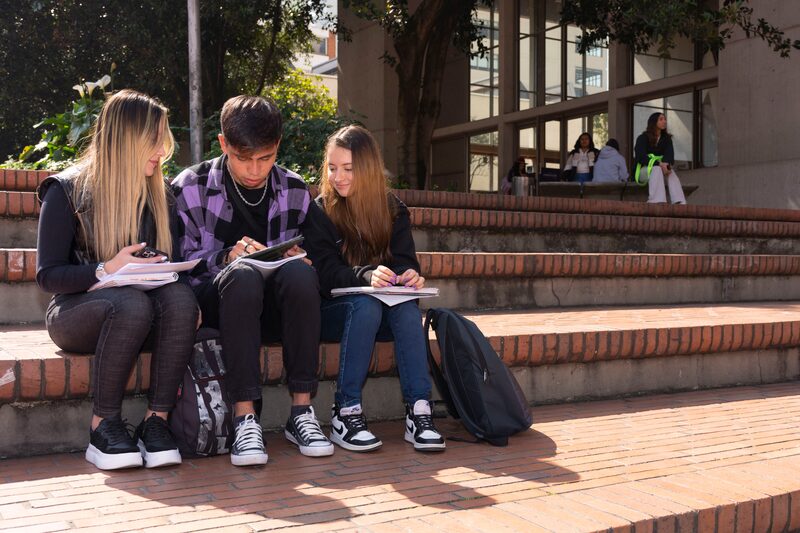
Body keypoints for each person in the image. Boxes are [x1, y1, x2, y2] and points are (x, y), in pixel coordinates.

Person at [36, 89, 199, 471]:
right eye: (154, 141)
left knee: (180, 299)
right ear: (128, 140)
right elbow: (48, 275)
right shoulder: (66, 190)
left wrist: (162, 269)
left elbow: (166, 271)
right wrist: (107, 269)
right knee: (130, 302)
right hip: (75, 312)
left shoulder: (160, 193)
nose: (163, 151)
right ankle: (102, 425)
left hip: (139, 310)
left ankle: (156, 422)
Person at [172, 95, 333, 466]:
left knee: (300, 274)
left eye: (266, 157)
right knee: (242, 275)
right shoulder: (190, 186)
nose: (255, 170)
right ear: (223, 144)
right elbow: (177, 263)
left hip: (273, 305)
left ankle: (301, 413)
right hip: (215, 301)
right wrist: (225, 257)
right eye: (243, 158)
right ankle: (244, 418)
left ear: (278, 146)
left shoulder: (293, 188)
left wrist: (299, 258)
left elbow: (324, 259)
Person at [303, 125, 446, 453]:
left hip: (382, 313)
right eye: (332, 167)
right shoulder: (320, 210)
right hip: (333, 312)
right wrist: (366, 276)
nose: (338, 177)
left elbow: (405, 261)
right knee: (364, 305)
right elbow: (324, 273)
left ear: (366, 168)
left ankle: (419, 411)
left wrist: (409, 276)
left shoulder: (392, 209)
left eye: (349, 169)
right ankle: (346, 411)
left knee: (408, 307)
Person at [634, 112, 687, 204]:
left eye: (665, 119)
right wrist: (659, 164)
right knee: (657, 169)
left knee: (670, 171)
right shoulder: (642, 138)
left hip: (660, 169)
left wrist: (666, 165)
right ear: (654, 122)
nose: (664, 121)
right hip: (643, 172)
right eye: (661, 119)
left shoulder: (666, 139)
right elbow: (640, 157)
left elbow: (670, 156)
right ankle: (656, 200)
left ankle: (679, 201)